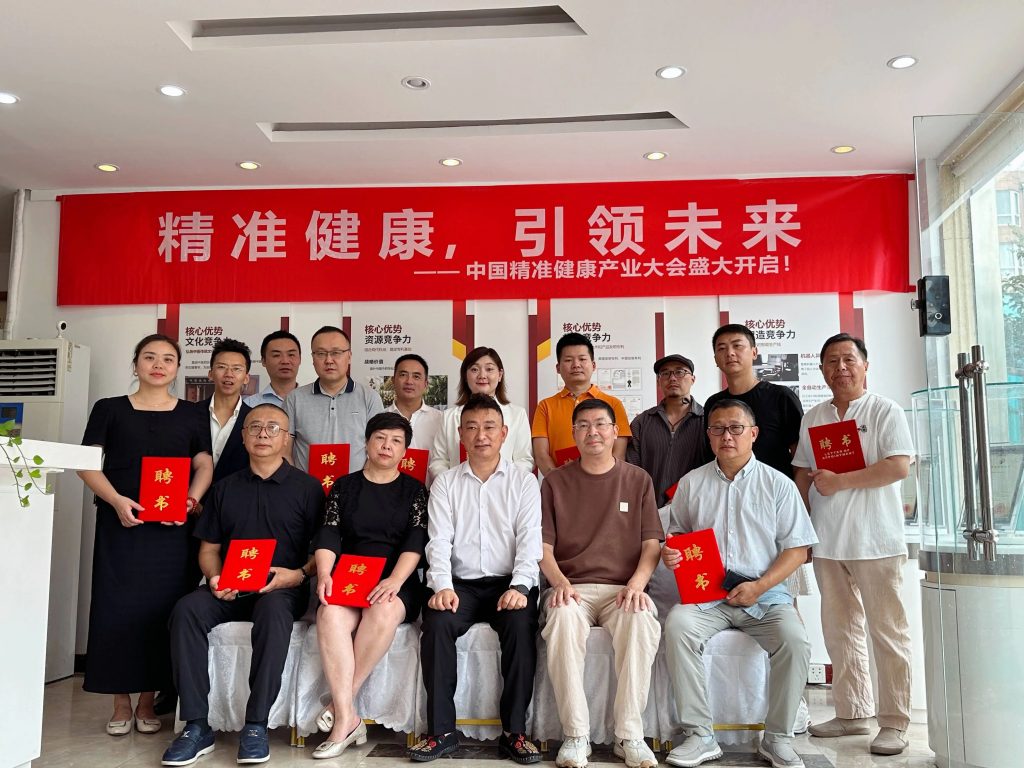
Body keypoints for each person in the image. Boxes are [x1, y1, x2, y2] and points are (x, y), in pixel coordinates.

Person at [161, 404, 323, 766]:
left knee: (273, 612)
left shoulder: (308, 488)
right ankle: (196, 725)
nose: (263, 434)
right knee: (186, 610)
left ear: (287, 439)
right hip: (230, 587)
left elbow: (322, 552)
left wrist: (298, 574)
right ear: (244, 437)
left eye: (273, 428)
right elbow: (209, 549)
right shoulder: (224, 488)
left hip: (282, 588)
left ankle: (255, 725)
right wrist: (215, 578)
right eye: (255, 427)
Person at [661, 400, 817, 768]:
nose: (727, 436)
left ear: (754, 434)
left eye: (735, 428)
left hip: (765, 595)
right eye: (718, 428)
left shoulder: (778, 485)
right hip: (708, 597)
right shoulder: (691, 483)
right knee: (678, 626)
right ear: (709, 435)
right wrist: (672, 553)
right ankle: (700, 735)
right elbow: (678, 534)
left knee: (795, 641)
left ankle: (777, 738)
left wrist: (759, 586)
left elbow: (797, 550)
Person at [78, 333, 213, 737]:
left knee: (161, 610)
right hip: (121, 527)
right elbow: (87, 464)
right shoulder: (110, 409)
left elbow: (204, 464)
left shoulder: (191, 413)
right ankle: (120, 700)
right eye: (150, 357)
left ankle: (147, 700)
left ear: (177, 368)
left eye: (168, 359)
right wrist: (117, 501)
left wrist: (191, 500)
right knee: (115, 608)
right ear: (136, 364)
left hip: (171, 534)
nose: (158, 365)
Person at [793, 334, 914, 756]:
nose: (840, 368)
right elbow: (803, 473)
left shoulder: (885, 410)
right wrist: (802, 529)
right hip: (828, 541)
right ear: (822, 370)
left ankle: (895, 721)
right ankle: (852, 712)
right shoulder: (814, 416)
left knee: (888, 632)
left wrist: (842, 481)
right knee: (840, 631)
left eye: (849, 359)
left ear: (865, 365)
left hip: (877, 540)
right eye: (831, 361)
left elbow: (898, 466)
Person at [411, 394, 542, 764]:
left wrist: (520, 586)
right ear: (460, 435)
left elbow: (530, 539)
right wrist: (442, 586)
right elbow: (438, 541)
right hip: (460, 585)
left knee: (520, 626)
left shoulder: (524, 482)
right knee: (437, 624)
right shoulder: (445, 483)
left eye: (488, 427)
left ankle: (514, 733)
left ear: (504, 433)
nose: (480, 435)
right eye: (471, 427)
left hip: (508, 583)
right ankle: (441, 733)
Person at [540, 399, 662, 768]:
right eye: (583, 425)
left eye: (600, 424)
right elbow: (542, 547)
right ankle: (576, 735)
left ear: (614, 431)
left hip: (622, 589)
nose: (592, 432)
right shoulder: (555, 482)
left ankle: (629, 735)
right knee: (561, 619)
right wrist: (559, 582)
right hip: (572, 587)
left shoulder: (638, 480)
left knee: (641, 621)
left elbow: (651, 544)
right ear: (573, 433)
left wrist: (637, 584)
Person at [311, 411, 429, 759]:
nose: (386, 446)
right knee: (329, 614)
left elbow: (416, 541)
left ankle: (339, 714)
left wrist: (395, 579)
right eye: (380, 438)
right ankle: (349, 716)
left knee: (384, 609)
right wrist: (325, 574)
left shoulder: (414, 490)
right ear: (366, 442)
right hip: (350, 576)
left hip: (395, 578)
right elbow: (329, 533)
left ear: (405, 451)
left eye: (396, 441)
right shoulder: (344, 487)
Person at [703, 324, 803, 478]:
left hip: (774, 489)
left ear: (754, 352)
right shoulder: (713, 404)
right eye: (722, 348)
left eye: (737, 346)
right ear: (715, 359)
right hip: (726, 489)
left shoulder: (782, 397)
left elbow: (801, 458)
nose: (730, 353)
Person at [284, 326, 384, 474]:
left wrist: (360, 483)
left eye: (336, 353)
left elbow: (378, 447)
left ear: (349, 356)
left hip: (356, 485)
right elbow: (285, 450)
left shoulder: (369, 397)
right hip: (307, 486)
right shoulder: (295, 398)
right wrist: (298, 483)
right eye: (321, 353)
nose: (329, 360)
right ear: (313, 358)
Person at [428, 346, 533, 483]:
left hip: (504, 490)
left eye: (489, 369)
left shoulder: (517, 414)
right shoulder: (448, 417)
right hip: (457, 491)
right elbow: (439, 462)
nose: (482, 375)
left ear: (500, 375)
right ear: (465, 376)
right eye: (474, 369)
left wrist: (503, 484)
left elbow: (524, 460)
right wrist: (454, 485)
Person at [532, 332, 631, 475]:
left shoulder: (614, 404)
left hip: (605, 483)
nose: (576, 365)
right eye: (568, 360)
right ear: (558, 368)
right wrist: (558, 482)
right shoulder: (545, 406)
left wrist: (603, 481)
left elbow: (619, 452)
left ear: (593, 365)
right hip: (561, 484)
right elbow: (541, 454)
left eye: (582, 359)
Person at [626, 354, 710, 508]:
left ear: (693, 379)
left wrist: (678, 494)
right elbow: (631, 471)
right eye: (665, 373)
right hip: (649, 510)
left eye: (679, 372)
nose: (672, 378)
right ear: (659, 381)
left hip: (696, 509)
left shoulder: (707, 421)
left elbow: (713, 467)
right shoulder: (641, 422)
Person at [199, 338, 253, 484]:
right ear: (210, 374)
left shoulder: (253, 419)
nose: (229, 374)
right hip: (191, 496)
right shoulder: (191, 413)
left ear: (246, 378)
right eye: (222, 367)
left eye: (237, 369)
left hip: (236, 495)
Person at [385, 353, 443, 451]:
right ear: (393, 380)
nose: (409, 381)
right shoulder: (380, 418)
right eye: (403, 375)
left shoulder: (441, 420)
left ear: (426, 384)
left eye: (416, 376)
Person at [245, 330, 302, 408]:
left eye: (291, 355)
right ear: (263, 361)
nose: (285, 361)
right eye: (276, 355)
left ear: (300, 359)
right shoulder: (249, 405)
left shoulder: (314, 401)